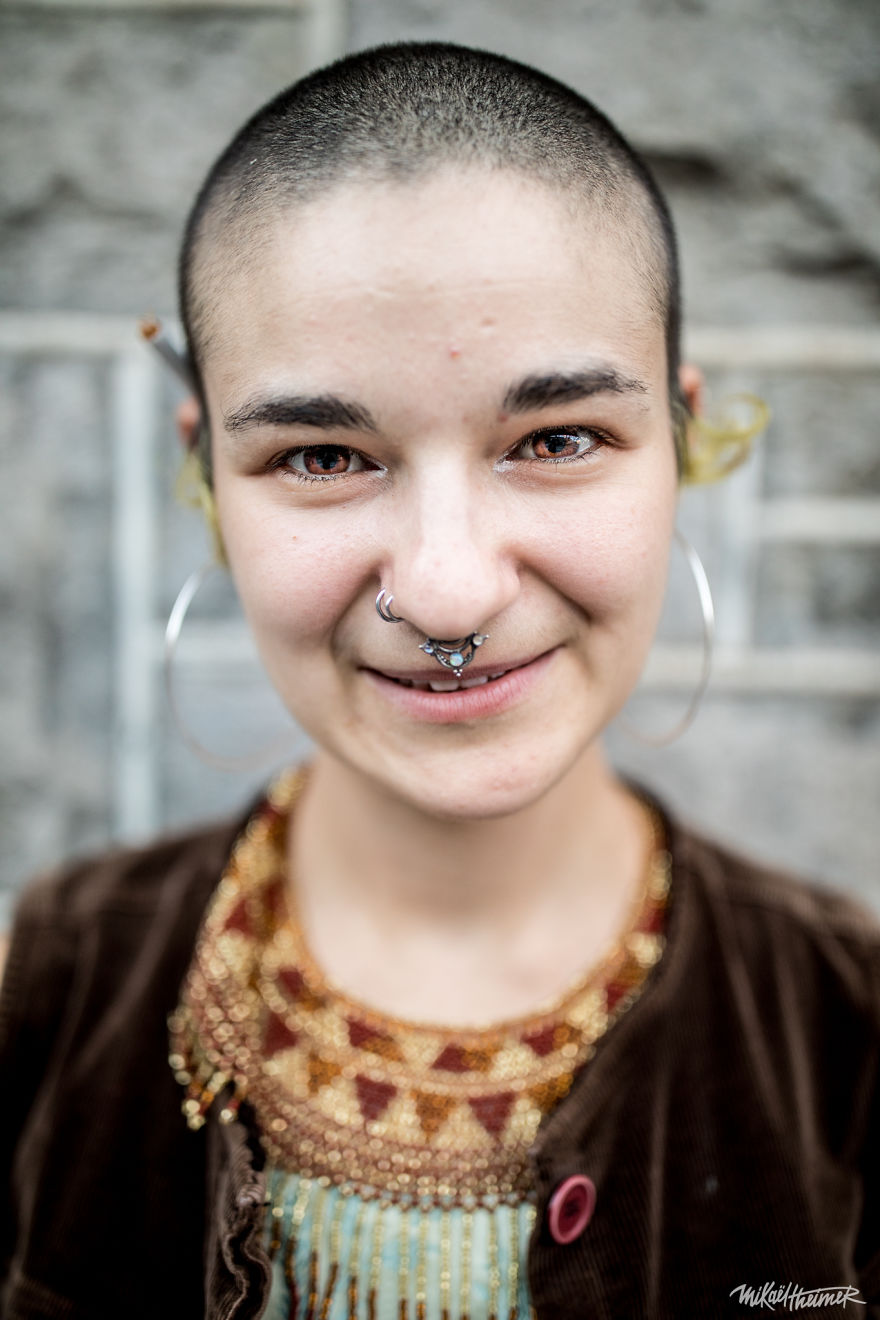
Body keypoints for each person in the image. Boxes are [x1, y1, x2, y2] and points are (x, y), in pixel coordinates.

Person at [2, 42, 878, 1320]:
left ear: (677, 444)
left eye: (558, 439)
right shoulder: (40, 994)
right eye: (320, 456)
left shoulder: (851, 1041)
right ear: (208, 480)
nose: (450, 593)